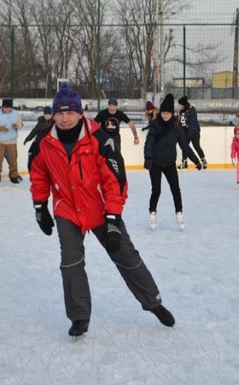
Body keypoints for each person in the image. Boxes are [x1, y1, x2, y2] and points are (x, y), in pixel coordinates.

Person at [28, 83, 176, 338]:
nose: (65, 118)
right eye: (60, 113)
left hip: (100, 209)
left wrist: (113, 217)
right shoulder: (44, 142)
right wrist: (40, 207)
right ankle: (79, 316)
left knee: (125, 255)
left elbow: (114, 181)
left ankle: (154, 302)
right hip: (67, 210)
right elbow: (38, 175)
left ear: (80, 113)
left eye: (70, 113)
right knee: (71, 262)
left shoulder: (99, 139)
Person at [143, 94, 202, 231]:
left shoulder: (177, 127)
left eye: (168, 113)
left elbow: (185, 146)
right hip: (156, 163)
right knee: (156, 190)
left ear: (172, 113)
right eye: (163, 112)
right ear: (161, 112)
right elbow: (149, 143)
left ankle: (179, 214)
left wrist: (196, 161)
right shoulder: (155, 125)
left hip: (169, 163)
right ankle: (152, 213)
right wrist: (148, 158)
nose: (165, 115)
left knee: (176, 189)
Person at [0, 98, 22, 184]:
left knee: (13, 159)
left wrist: (17, 126)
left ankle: (14, 176)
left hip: (12, 141)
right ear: (2, 107)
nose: (7, 109)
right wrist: (0, 128)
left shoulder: (16, 114)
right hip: (0, 140)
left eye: (8, 108)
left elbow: (20, 124)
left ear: (11, 107)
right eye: (5, 108)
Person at [177, 96, 207, 169]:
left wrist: (190, 134)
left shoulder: (191, 110)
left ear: (183, 104)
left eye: (180, 104)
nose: (179, 106)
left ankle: (203, 161)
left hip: (194, 132)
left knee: (196, 146)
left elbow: (193, 123)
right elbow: (181, 121)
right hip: (185, 132)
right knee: (184, 147)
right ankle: (184, 163)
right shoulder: (181, 111)